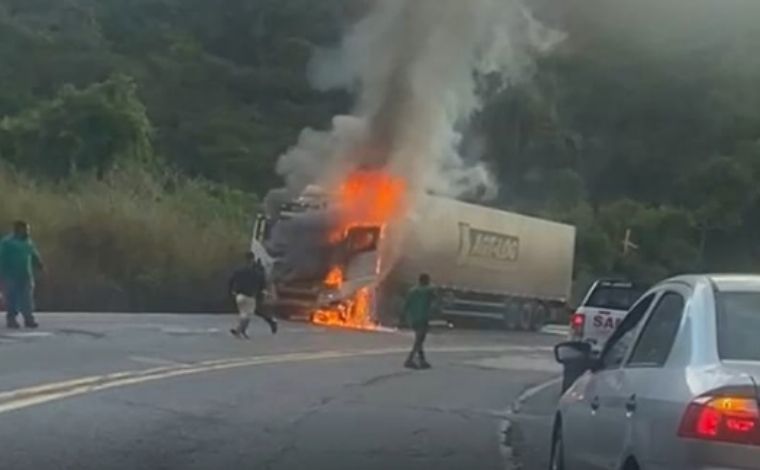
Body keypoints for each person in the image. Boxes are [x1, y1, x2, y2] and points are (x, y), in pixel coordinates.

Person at [0, 221, 44, 329]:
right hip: (10, 275)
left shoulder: (28, 241)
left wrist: (39, 263)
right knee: (11, 298)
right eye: (25, 229)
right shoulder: (7, 243)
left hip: (26, 274)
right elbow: (1, 258)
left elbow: (33, 252)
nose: (28, 232)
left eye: (28, 230)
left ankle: (29, 319)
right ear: (18, 229)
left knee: (27, 298)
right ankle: (11, 319)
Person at [229, 252, 277, 339]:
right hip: (250, 296)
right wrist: (264, 292)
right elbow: (262, 284)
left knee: (244, 313)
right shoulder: (257, 272)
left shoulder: (239, 271)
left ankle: (242, 331)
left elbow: (231, 280)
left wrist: (232, 290)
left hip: (239, 295)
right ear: (252, 260)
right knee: (247, 315)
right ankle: (238, 331)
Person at [403, 273, 435, 370]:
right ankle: (409, 359)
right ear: (425, 281)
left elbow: (406, 305)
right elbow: (435, 297)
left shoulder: (412, 291)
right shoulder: (428, 291)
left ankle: (422, 360)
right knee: (419, 340)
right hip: (423, 318)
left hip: (414, 319)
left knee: (419, 339)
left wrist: (405, 318)